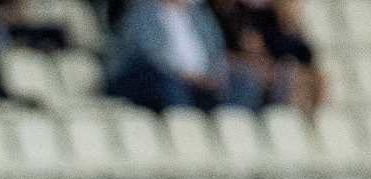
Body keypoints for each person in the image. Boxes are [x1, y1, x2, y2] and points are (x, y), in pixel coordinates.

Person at [103, 0, 259, 113]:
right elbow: (150, 55)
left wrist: (212, 76)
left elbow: (216, 51)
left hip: (198, 82)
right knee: (170, 82)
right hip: (156, 79)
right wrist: (187, 76)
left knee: (242, 81)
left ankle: (231, 134)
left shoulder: (200, 15)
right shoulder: (143, 12)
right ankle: (184, 130)